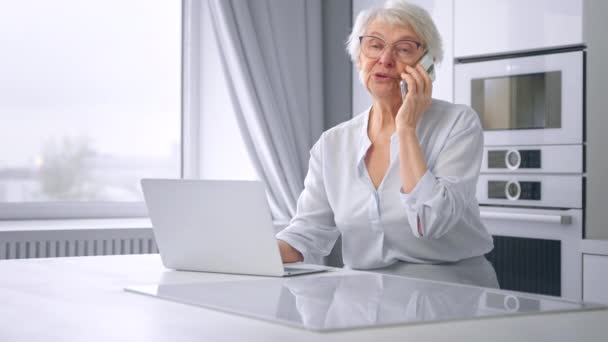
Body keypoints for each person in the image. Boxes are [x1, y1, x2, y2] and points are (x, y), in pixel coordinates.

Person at [276, 0, 493, 269]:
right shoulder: (332, 144)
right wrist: (243, 252)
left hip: (449, 295)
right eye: (375, 46)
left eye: (403, 49)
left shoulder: (458, 123)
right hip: (362, 300)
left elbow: (431, 222)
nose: (386, 60)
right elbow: (306, 234)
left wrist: (406, 129)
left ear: (428, 64)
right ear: (359, 58)